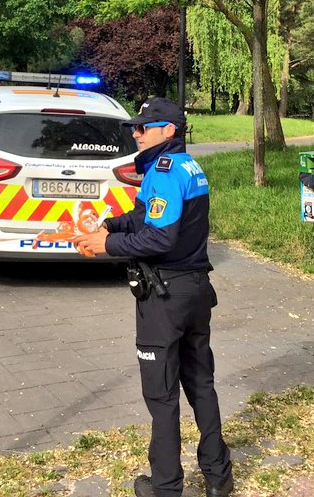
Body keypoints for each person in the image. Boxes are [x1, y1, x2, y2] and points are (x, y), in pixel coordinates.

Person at [73, 97, 233, 497]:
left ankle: (165, 487)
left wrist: (107, 244)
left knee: (161, 396)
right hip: (195, 289)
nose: (136, 133)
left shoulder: (162, 171)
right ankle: (218, 477)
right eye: (135, 127)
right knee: (201, 384)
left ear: (170, 131)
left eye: (145, 126)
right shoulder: (186, 167)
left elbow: (160, 237)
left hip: (165, 296)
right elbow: (147, 215)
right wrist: (109, 223)